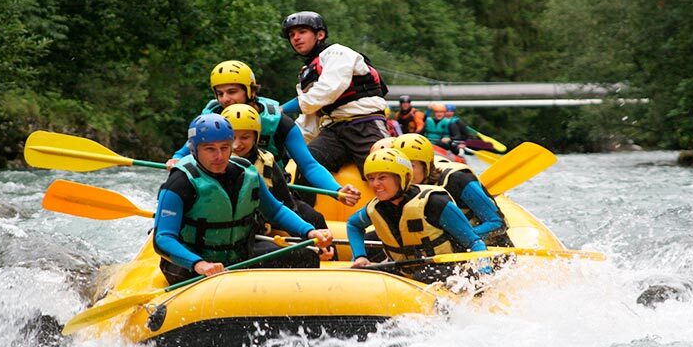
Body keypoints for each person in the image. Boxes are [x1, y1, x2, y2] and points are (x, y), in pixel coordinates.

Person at [153, 113, 333, 284]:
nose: (219, 156)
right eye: (210, 149)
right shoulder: (179, 182)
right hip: (190, 264)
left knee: (306, 256)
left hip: (238, 257)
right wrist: (199, 264)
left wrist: (309, 231)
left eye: (225, 147)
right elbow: (163, 239)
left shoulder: (246, 172)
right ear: (194, 149)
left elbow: (275, 210)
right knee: (213, 279)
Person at [166, 60, 360, 207]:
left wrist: (336, 191)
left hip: (270, 192)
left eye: (232, 91)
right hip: (216, 192)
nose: (225, 99)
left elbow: (308, 165)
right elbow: (185, 152)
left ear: (250, 90)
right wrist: (175, 159)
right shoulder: (210, 120)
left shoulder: (279, 123)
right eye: (220, 93)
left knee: (314, 220)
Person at [346, 148, 490, 284]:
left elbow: (474, 243)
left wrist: (484, 275)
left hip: (450, 270)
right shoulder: (375, 207)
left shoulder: (434, 202)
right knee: (361, 272)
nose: (375, 184)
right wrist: (360, 256)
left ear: (402, 177)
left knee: (423, 274)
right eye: (371, 179)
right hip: (406, 270)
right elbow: (353, 225)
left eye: (382, 177)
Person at [279, 11, 390, 176]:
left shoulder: (337, 53)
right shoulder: (306, 73)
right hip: (332, 132)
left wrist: (281, 109)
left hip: (364, 125)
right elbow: (309, 120)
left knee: (384, 171)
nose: (296, 38)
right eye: (292, 34)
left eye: (302, 32)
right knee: (305, 164)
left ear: (320, 34)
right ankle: (300, 203)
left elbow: (327, 90)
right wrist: (287, 142)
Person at [220, 104, 335, 261]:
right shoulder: (211, 166)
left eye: (245, 137)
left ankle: (328, 256)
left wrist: (309, 238)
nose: (236, 144)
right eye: (232, 138)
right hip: (225, 237)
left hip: (258, 225)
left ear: (256, 137)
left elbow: (283, 207)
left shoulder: (265, 163)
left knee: (312, 219)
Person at [392, 133, 513, 247]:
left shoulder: (457, 180)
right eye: (400, 167)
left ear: (426, 165)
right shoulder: (401, 190)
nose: (405, 173)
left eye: (411, 166)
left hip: (489, 249)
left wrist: (460, 238)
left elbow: (498, 223)